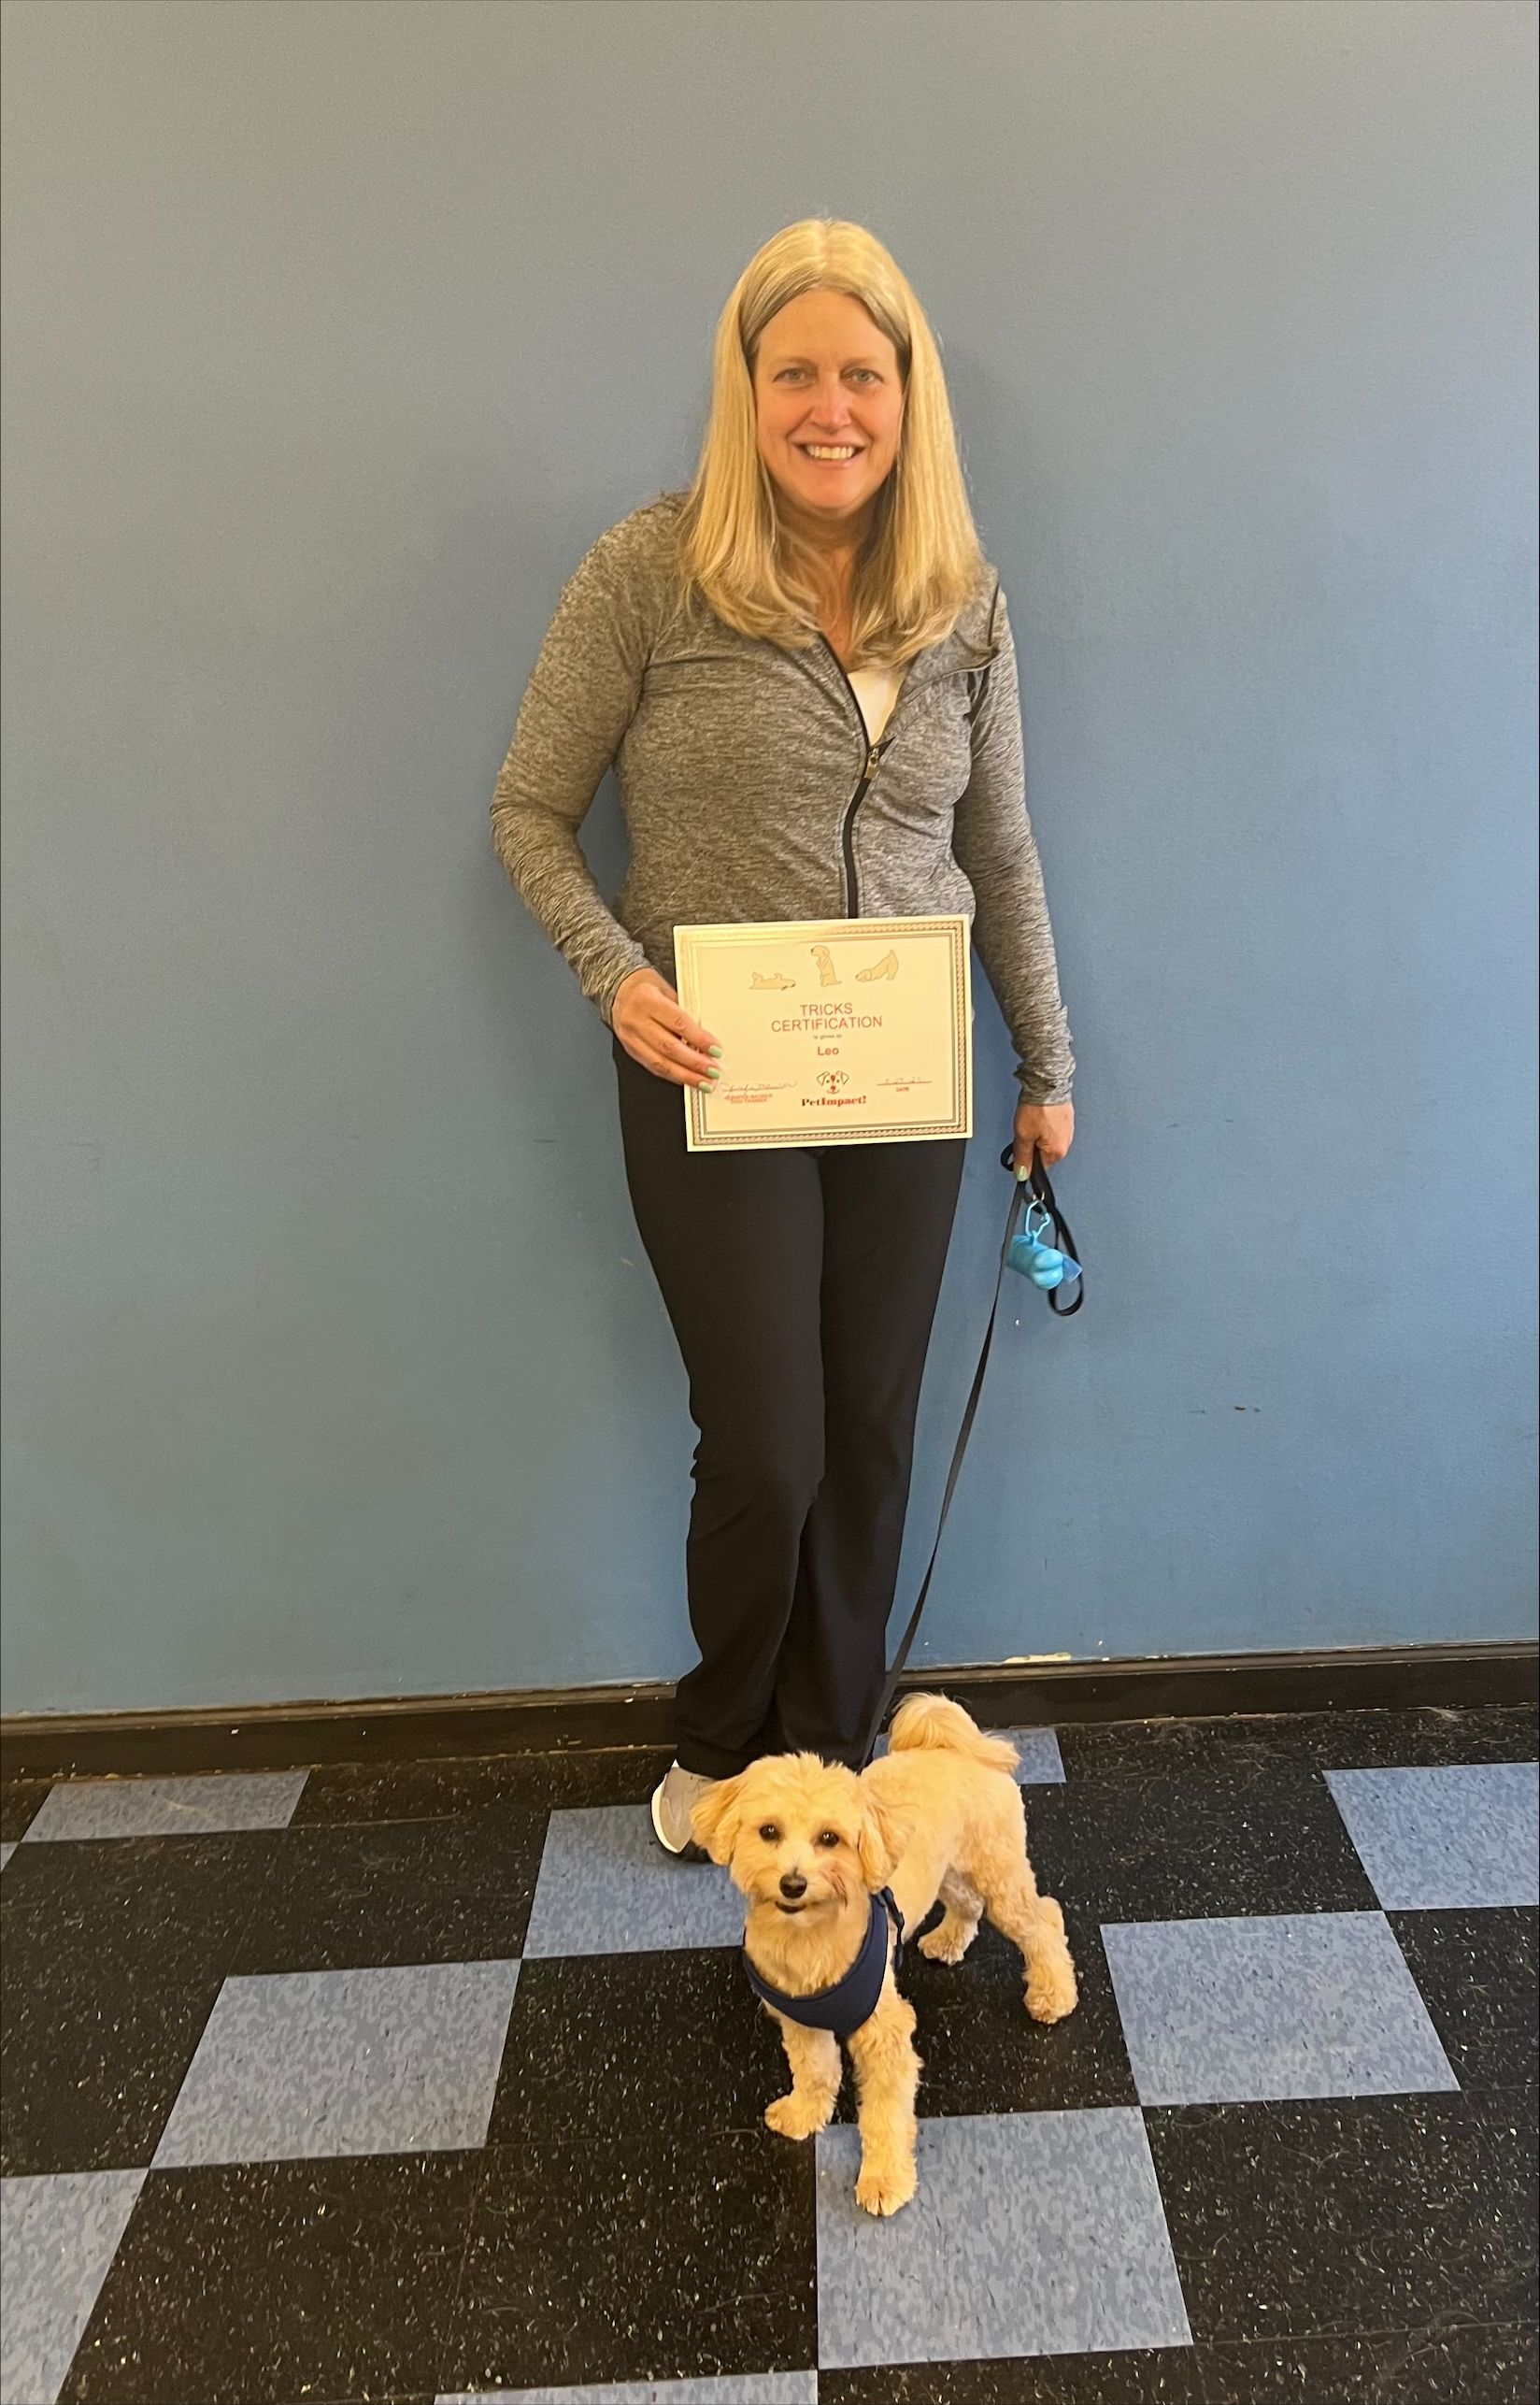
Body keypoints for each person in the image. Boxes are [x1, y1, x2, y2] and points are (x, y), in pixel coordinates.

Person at [490, 218, 1075, 1859]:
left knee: (870, 1432)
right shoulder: (651, 572)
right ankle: (722, 1743)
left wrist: (1047, 1064)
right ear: (747, 391)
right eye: (796, 372)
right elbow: (529, 810)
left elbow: (999, 846)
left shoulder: (963, 602)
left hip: (904, 1080)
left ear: (908, 395)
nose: (832, 408)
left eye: (863, 375)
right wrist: (618, 976)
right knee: (769, 1439)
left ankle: (831, 1753)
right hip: (714, 1073)